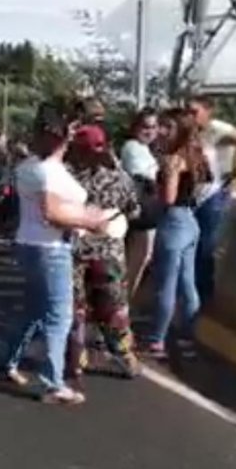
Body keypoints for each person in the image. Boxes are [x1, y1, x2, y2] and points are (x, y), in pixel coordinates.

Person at [0, 103, 114, 405]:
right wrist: (92, 221)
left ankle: (7, 362)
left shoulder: (30, 167)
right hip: (50, 248)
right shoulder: (46, 170)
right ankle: (52, 384)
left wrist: (84, 215)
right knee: (57, 317)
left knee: (32, 310)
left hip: (31, 245)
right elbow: (52, 213)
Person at [64, 124, 143, 383]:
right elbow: (134, 211)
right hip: (108, 252)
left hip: (72, 250)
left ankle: (75, 358)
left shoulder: (65, 175)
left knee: (74, 308)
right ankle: (125, 357)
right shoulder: (119, 177)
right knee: (113, 308)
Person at [146, 110, 214, 358]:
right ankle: (187, 337)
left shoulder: (173, 160)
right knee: (188, 285)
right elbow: (207, 185)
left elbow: (168, 198)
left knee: (166, 284)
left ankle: (157, 340)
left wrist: (155, 191)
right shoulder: (195, 156)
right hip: (190, 220)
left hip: (173, 220)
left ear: (180, 131)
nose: (161, 131)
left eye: (168, 127)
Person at [186, 95, 236, 307]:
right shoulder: (191, 131)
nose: (190, 116)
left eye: (195, 111)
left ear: (208, 112)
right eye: (188, 111)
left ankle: (204, 296)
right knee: (193, 246)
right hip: (195, 196)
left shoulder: (217, 128)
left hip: (213, 196)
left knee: (205, 247)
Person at [120, 108, 162, 298]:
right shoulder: (132, 148)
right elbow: (145, 177)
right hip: (140, 212)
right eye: (145, 127)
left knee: (140, 259)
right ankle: (122, 304)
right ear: (135, 127)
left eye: (154, 127)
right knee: (138, 259)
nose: (150, 131)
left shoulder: (146, 149)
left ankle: (124, 302)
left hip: (147, 212)